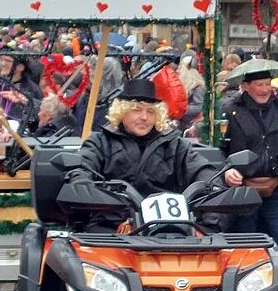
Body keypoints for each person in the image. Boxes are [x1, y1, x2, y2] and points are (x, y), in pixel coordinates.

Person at [68, 79, 219, 232]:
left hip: (168, 230)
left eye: (151, 111)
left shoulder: (175, 144)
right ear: (121, 112)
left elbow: (205, 173)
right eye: (137, 110)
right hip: (110, 229)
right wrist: (82, 184)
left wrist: (206, 226)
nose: (144, 117)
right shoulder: (100, 142)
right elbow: (82, 168)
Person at [221, 69, 278, 291]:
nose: (265, 89)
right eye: (259, 84)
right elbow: (219, 149)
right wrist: (227, 169)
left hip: (276, 187)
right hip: (243, 190)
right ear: (246, 86)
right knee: (246, 245)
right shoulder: (230, 111)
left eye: (267, 84)